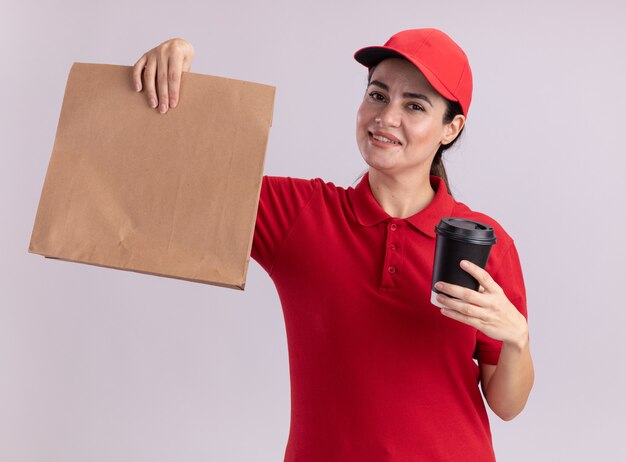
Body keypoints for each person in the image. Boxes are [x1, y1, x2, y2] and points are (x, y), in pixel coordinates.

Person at [132, 28, 534, 461]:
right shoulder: (298, 215)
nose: (386, 117)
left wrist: (517, 341)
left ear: (451, 128)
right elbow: (168, 184)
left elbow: (506, 405)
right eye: (378, 96)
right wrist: (176, 81)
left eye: (414, 105)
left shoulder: (482, 242)